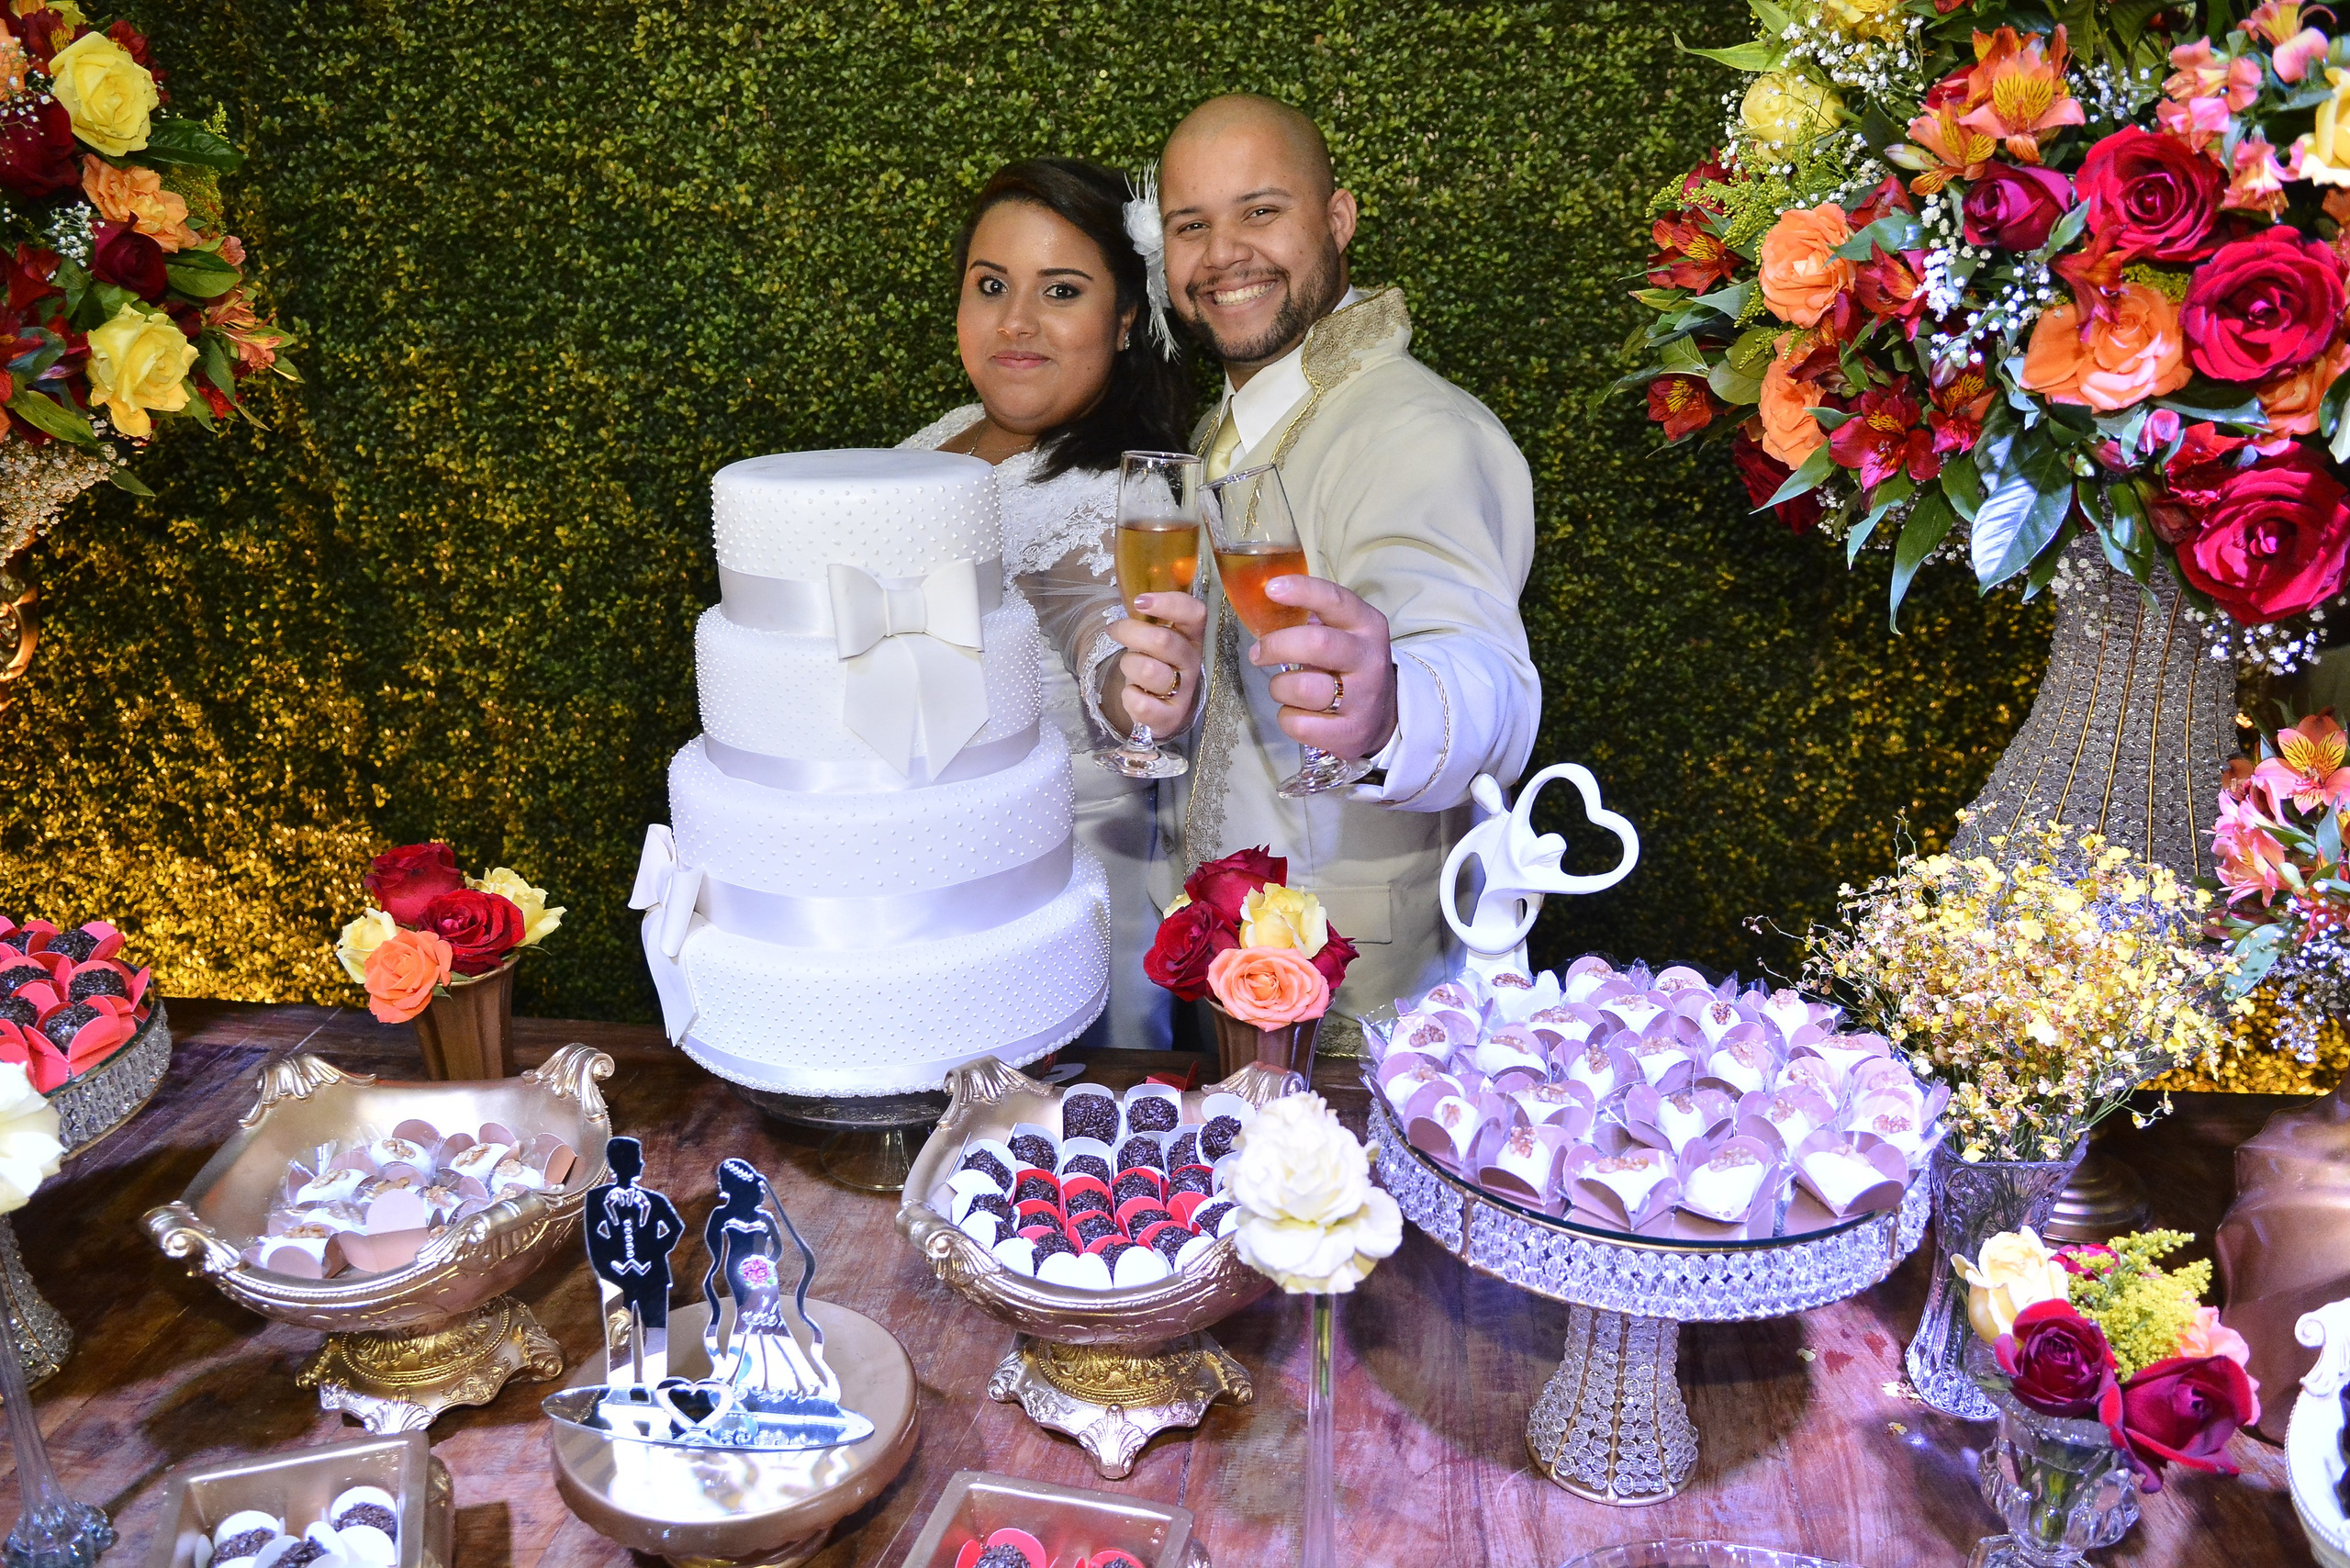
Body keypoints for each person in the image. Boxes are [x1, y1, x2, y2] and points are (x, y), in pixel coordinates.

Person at [1139, 95, 1541, 1031]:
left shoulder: (1416, 427)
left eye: (1261, 211)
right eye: (1191, 225)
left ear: (1339, 218)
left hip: (1370, 1017)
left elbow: (1480, 663)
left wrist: (1397, 702)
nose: (1224, 252)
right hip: (1225, 988)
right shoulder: (1225, 426)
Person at [901, 157, 1203, 1050]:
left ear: (1123, 322)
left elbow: (1098, 632)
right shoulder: (934, 441)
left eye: (1060, 291)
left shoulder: (1113, 495)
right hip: (908, 894)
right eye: (990, 285)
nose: (1016, 323)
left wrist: (1137, 691)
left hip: (1043, 913)